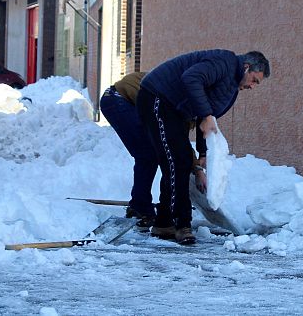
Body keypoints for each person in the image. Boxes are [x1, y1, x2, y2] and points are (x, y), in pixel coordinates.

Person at [136, 50, 270, 244]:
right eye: (254, 80)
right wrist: (207, 115)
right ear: (247, 67)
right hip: (158, 98)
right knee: (177, 162)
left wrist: (202, 155)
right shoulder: (224, 63)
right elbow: (191, 78)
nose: (252, 86)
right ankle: (181, 224)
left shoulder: (231, 87)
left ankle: (164, 223)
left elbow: (206, 118)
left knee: (180, 162)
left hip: (176, 110)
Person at [99, 72, 159, 229]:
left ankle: (138, 204)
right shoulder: (176, 99)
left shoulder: (182, 94)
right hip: (117, 100)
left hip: (123, 99)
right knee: (147, 155)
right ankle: (140, 207)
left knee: (148, 155)